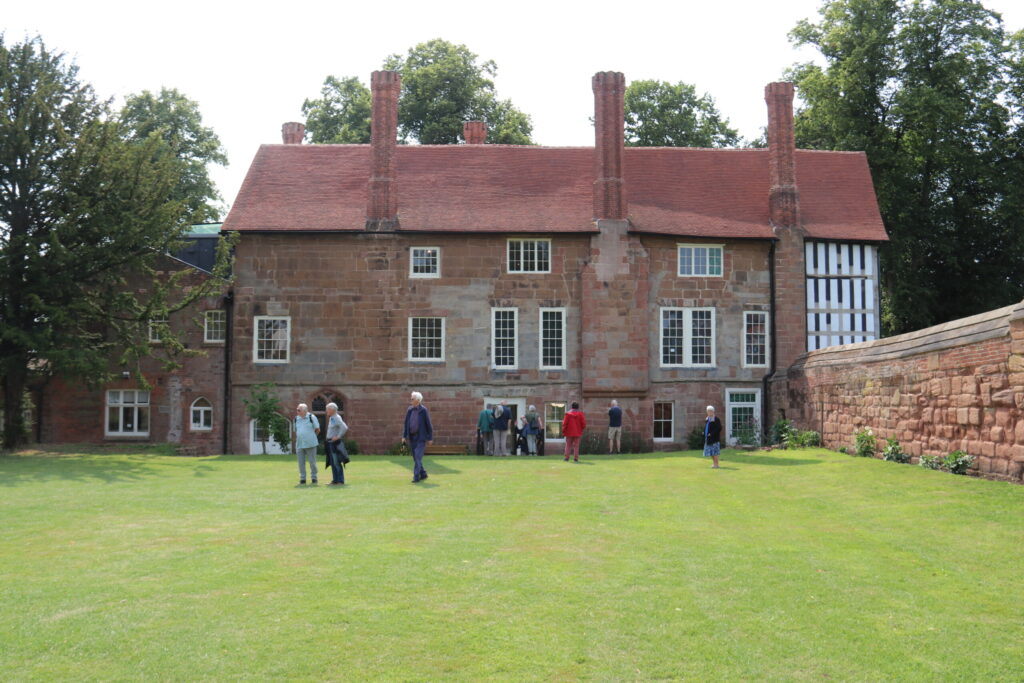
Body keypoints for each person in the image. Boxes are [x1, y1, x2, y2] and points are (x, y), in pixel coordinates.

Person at [402, 391, 433, 483]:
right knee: (416, 458)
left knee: (418, 457)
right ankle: (423, 474)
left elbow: (429, 425)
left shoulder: (423, 410)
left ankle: (416, 477)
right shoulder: (409, 410)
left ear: (418, 400)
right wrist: (404, 436)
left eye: (412, 399)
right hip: (412, 437)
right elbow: (406, 423)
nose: (411, 400)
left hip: (421, 438)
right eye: (411, 398)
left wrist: (430, 438)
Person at [294, 403, 320, 485]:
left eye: (299, 410)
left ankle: (314, 478)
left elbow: (317, 429)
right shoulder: (296, 419)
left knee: (312, 462)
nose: (297, 411)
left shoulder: (311, 417)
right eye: (297, 410)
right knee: (301, 463)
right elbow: (296, 431)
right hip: (300, 444)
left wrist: (312, 437)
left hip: (311, 444)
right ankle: (302, 479)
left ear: (305, 411)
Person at [324, 402, 348, 485]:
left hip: (334, 443)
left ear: (332, 410)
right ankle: (335, 480)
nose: (326, 411)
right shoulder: (332, 417)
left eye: (327, 409)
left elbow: (344, 427)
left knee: (336, 462)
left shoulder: (337, 417)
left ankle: (340, 481)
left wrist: (338, 436)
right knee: (332, 462)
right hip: (330, 442)